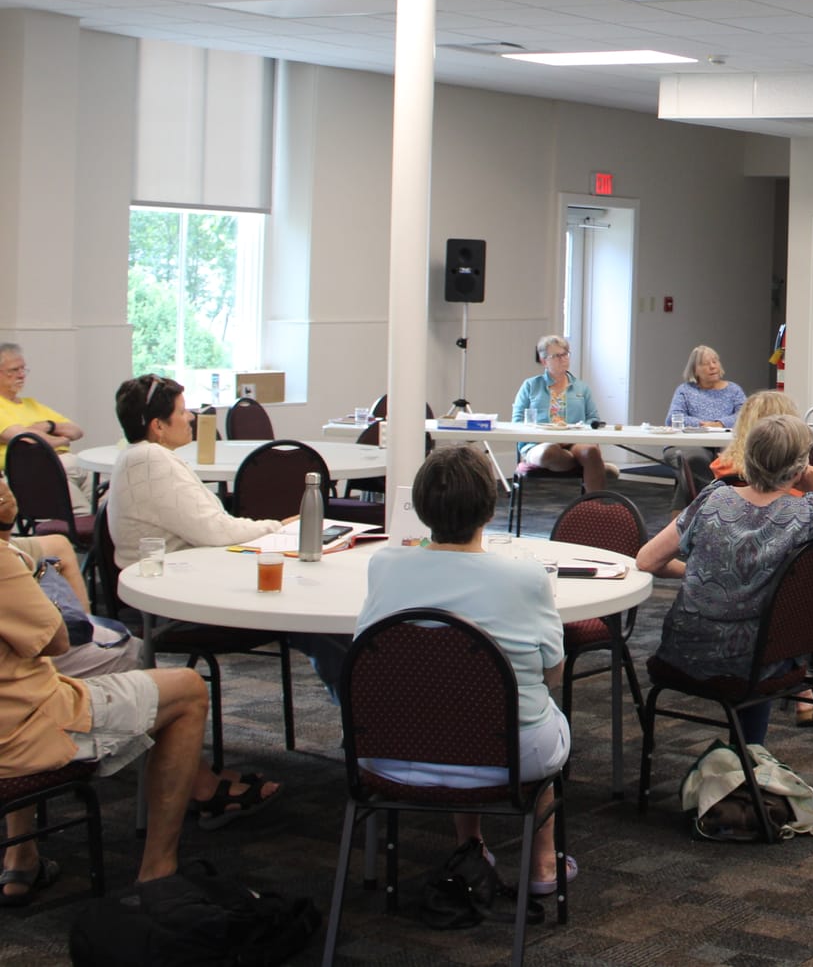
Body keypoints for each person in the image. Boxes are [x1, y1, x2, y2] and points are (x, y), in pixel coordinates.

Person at [354, 446, 573, 896]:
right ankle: (544, 865)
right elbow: (553, 672)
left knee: (449, 701)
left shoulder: (383, 565)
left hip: (391, 751)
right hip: (508, 758)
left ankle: (470, 844)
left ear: (418, 507)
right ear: (491, 508)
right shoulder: (526, 577)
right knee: (533, 713)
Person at [105, 375, 348, 699]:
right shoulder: (152, 460)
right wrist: (278, 526)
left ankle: (357, 702)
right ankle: (360, 704)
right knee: (311, 610)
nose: (191, 416)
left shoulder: (134, 455)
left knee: (307, 611)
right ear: (158, 426)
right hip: (182, 597)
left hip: (179, 581)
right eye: (182, 411)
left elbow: (210, 527)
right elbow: (216, 530)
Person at [0, 542, 215, 906]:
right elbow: (57, 639)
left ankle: (21, 857)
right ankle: (158, 874)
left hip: (15, 712)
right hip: (23, 735)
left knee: (27, 675)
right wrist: (30, 576)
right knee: (188, 690)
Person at [636, 414, 813, 746]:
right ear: (801, 466)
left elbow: (647, 560)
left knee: (755, 635)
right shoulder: (809, 513)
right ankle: (749, 756)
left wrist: (702, 573)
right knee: (765, 639)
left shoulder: (713, 498)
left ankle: (743, 760)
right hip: (758, 663)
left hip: (684, 654)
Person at [512, 335, 610, 494]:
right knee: (548, 452)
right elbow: (517, 423)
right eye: (556, 356)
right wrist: (548, 438)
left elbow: (593, 420)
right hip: (538, 444)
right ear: (544, 361)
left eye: (565, 354)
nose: (563, 359)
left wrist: (571, 437)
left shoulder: (581, 388)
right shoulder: (530, 386)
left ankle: (596, 508)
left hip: (574, 441)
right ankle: (590, 465)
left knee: (590, 451)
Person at [664, 344, 747, 516]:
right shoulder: (685, 391)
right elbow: (674, 418)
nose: (712, 366)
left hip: (726, 446)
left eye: (715, 361)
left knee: (690, 474)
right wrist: (704, 425)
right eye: (705, 363)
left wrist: (720, 423)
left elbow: (745, 415)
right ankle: (716, 510)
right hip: (687, 445)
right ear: (695, 369)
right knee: (695, 460)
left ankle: (680, 525)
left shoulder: (733, 390)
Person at [0, 343, 89, 503]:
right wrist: (61, 440)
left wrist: (49, 426)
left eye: (23, 369)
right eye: (14, 370)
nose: (21, 375)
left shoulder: (31, 404)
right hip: (32, 473)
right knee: (85, 513)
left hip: (65, 465)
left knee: (108, 498)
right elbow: (26, 438)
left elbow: (77, 430)